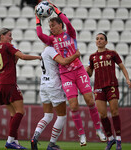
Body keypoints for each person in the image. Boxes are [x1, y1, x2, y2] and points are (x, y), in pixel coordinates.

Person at [35, 0, 106, 146]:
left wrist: (55, 9)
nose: (51, 28)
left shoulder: (71, 34)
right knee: (73, 106)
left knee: (90, 100)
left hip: (79, 71)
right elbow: (39, 35)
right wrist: (37, 17)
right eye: (50, 26)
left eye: (53, 25)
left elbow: (68, 23)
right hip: (65, 74)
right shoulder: (51, 40)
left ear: (60, 25)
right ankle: (81, 134)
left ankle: (98, 129)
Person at [0, 28, 41, 150]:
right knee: (20, 112)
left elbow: (11, 62)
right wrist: (38, 57)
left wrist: (15, 56)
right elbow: (23, 56)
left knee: (13, 114)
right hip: (9, 82)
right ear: (2, 36)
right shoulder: (7, 46)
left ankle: (15, 141)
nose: (11, 38)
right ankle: (10, 141)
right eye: (9, 35)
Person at [86, 33, 131, 150]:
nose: (99, 41)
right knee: (102, 114)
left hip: (111, 86)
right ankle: (110, 139)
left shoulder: (112, 53)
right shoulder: (92, 57)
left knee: (114, 112)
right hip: (99, 87)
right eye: (97, 39)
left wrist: (127, 78)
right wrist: (86, 70)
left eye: (101, 39)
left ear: (106, 42)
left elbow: (121, 66)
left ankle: (119, 140)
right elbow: (90, 73)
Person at [31, 46, 80, 150]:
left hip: (44, 84)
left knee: (48, 115)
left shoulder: (45, 50)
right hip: (53, 85)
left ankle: (34, 138)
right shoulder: (51, 50)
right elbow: (62, 62)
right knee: (61, 116)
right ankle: (52, 144)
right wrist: (75, 55)